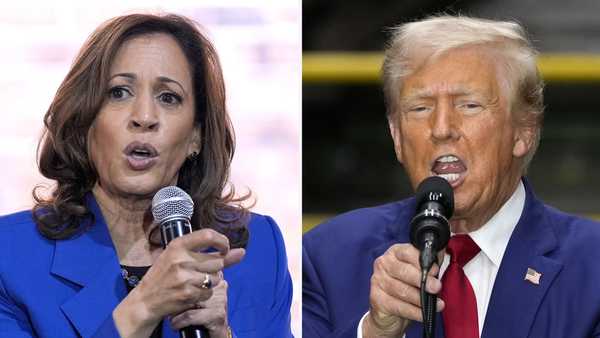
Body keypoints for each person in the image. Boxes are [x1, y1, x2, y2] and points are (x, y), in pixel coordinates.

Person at [303, 15, 600, 338]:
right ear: (397, 137)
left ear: (524, 131)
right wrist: (375, 332)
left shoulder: (592, 264)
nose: (442, 128)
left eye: (469, 105)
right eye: (420, 108)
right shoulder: (326, 257)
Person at [0, 13, 293, 338]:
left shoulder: (260, 249)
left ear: (196, 137)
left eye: (168, 98)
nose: (144, 117)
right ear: (85, 122)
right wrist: (143, 306)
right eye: (119, 92)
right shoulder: (11, 256)